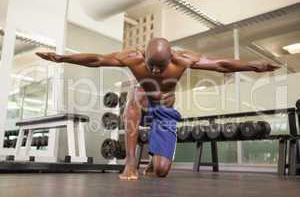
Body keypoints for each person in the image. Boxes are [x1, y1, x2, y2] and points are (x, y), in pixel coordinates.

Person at [36, 37, 279, 180]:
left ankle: (154, 162)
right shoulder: (132, 57)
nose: (154, 72)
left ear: (171, 57)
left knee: (161, 172)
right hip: (142, 100)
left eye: (160, 68)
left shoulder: (183, 59)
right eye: (151, 66)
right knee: (136, 94)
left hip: (164, 109)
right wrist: (62, 58)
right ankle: (130, 161)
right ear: (144, 56)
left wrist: (254, 66)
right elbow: (97, 60)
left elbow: (221, 64)